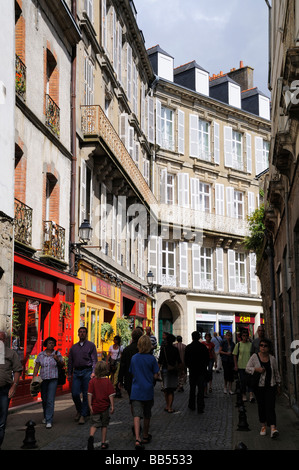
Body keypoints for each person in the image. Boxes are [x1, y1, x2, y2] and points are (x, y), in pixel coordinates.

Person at [245, 338, 281, 438]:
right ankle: (263, 426)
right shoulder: (254, 357)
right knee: (262, 406)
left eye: (265, 346)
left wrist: (278, 384)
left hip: (271, 386)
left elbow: (276, 372)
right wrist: (256, 369)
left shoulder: (272, 359)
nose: (263, 347)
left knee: (271, 406)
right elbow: (247, 368)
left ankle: (273, 428)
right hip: (259, 387)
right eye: (261, 345)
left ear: (268, 348)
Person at [129, 335, 160, 450]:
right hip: (147, 390)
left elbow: (132, 372)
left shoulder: (134, 358)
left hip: (136, 390)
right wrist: (152, 377)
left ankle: (137, 439)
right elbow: (156, 374)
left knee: (136, 415)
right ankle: (145, 435)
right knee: (147, 414)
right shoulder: (152, 359)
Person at [68, 327, 98, 424]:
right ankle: (80, 410)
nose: (82, 334)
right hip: (76, 372)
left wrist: (93, 372)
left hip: (87, 371)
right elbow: (70, 362)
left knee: (86, 394)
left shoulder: (91, 346)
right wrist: (69, 374)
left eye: (84, 332)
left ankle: (83, 415)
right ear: (77, 334)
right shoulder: (73, 347)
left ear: (86, 334)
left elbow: (94, 360)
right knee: (75, 393)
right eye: (80, 332)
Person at [33, 337, 64, 428]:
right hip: (43, 379)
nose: (51, 344)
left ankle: (49, 420)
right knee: (44, 399)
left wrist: (57, 359)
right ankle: (46, 416)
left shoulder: (57, 354)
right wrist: (34, 378)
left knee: (50, 400)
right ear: (46, 344)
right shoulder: (41, 354)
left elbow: (62, 364)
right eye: (49, 343)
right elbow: (37, 366)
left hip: (53, 379)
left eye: (53, 343)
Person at [0, 331, 22, 449]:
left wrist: (14, 386)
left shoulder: (10, 353)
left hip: (4, 390)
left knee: (2, 420)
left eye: (2, 339)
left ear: (5, 340)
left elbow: (17, 369)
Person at [87, 361, 115, 450]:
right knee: (104, 425)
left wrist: (90, 405)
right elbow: (111, 395)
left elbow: (89, 394)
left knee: (94, 424)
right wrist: (112, 406)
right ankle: (103, 443)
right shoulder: (107, 381)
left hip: (95, 407)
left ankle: (91, 437)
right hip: (104, 407)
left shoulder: (92, 381)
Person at [185, 331, 209, 414]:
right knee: (201, 389)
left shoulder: (188, 347)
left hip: (192, 370)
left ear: (192, 337)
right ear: (199, 337)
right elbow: (207, 359)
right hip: (201, 371)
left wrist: (189, 366)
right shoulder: (203, 347)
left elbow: (186, 360)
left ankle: (191, 405)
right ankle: (200, 407)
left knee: (192, 389)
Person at [158, 333, 181, 413]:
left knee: (166, 389)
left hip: (165, 369)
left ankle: (167, 405)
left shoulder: (163, 349)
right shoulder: (175, 349)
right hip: (173, 370)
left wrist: (157, 371)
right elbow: (179, 361)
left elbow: (160, 361)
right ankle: (170, 407)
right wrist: (181, 370)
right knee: (171, 390)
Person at [233, 329, 254, 402]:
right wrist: (235, 365)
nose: (245, 337)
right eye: (243, 336)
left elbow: (253, 355)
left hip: (249, 366)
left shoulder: (251, 345)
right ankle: (244, 394)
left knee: (250, 381)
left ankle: (251, 395)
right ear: (241, 336)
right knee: (243, 381)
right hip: (241, 366)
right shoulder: (238, 345)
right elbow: (235, 355)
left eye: (246, 336)